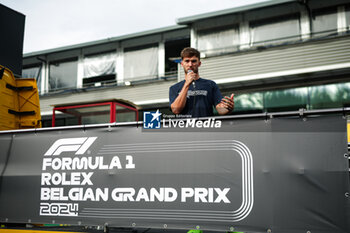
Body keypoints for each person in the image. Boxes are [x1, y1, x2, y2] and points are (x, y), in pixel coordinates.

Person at [169, 47, 234, 117]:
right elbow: (176, 110)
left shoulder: (210, 84)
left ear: (199, 64)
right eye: (187, 61)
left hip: (206, 126)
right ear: (182, 64)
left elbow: (220, 109)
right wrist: (186, 84)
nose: (190, 64)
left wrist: (227, 108)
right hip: (185, 126)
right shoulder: (174, 88)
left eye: (193, 61)